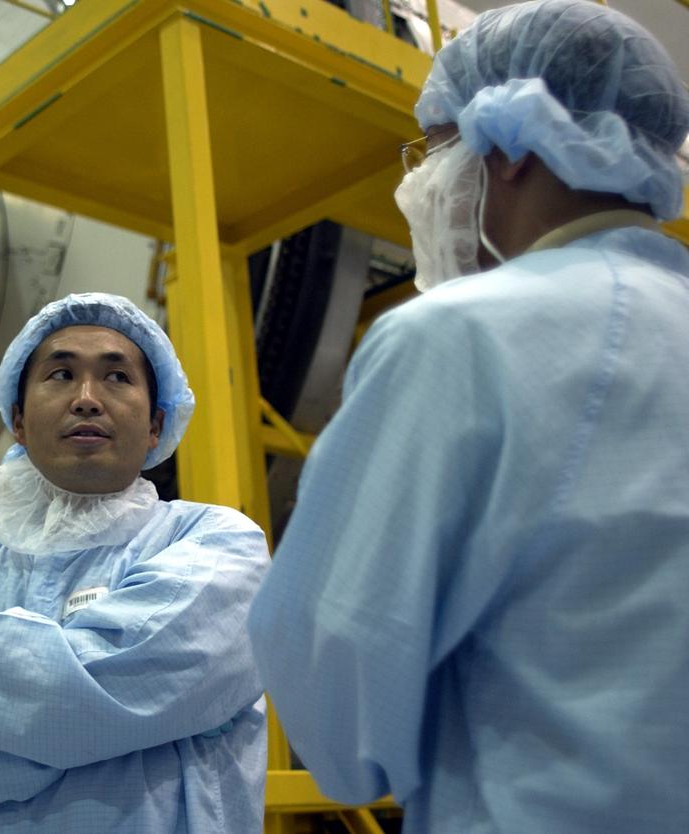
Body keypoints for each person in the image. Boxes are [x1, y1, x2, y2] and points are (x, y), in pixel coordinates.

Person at [247, 1, 689, 832]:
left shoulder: (455, 338)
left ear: (514, 146)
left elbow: (334, 696)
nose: (428, 183)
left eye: (441, 149)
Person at [0, 293, 271, 833]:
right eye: (60, 373)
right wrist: (96, 733)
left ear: (156, 423)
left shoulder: (218, 543)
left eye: (117, 377)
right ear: (20, 421)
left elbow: (106, 688)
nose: (87, 399)